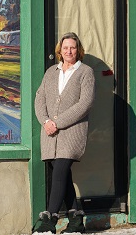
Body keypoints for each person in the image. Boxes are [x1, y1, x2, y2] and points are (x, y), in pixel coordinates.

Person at [33, 32, 95, 234]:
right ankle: (76, 221)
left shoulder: (85, 72)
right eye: (66, 47)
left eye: (73, 48)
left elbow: (85, 104)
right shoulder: (51, 71)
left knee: (60, 170)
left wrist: (57, 122)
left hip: (71, 132)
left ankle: (49, 219)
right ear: (60, 50)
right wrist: (45, 121)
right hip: (50, 133)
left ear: (79, 50)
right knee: (63, 176)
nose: (69, 51)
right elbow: (39, 98)